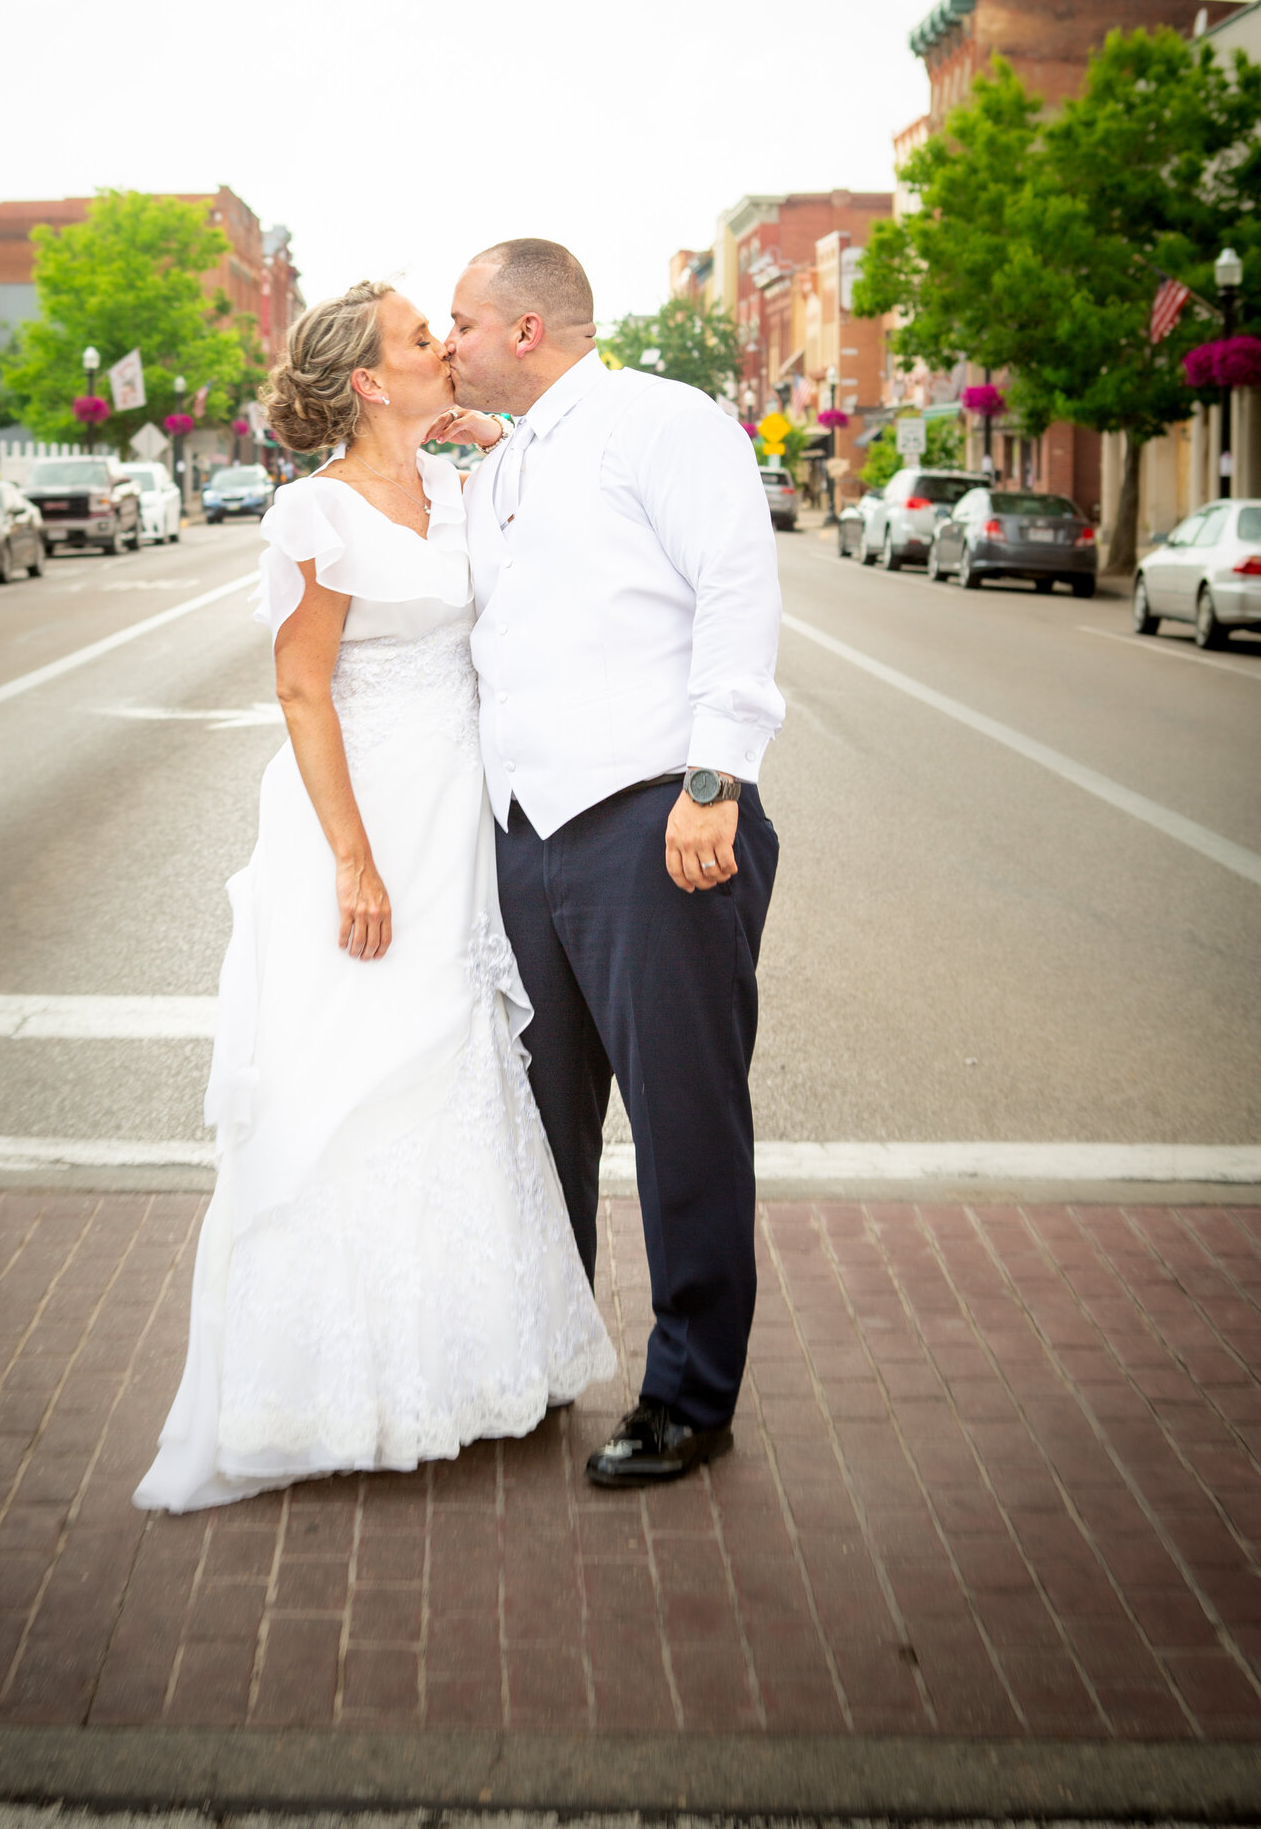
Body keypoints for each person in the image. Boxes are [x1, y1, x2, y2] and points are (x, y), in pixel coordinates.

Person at [134, 281, 613, 1515]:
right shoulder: (313, 513)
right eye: (420, 339)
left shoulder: (455, 483)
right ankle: (325, 1387)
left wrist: (481, 440)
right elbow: (302, 691)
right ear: (366, 379)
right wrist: (351, 857)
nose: (444, 349)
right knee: (357, 1071)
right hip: (371, 817)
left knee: (463, 1063)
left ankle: (469, 1366)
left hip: (468, 815)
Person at [442, 239, 783, 1488]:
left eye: (463, 323)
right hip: (524, 838)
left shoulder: (661, 419)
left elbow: (737, 589)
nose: (449, 342)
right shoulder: (499, 457)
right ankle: (542, 1358)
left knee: (685, 1122)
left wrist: (714, 780)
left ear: (525, 330)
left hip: (655, 823)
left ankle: (691, 1397)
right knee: (540, 1125)